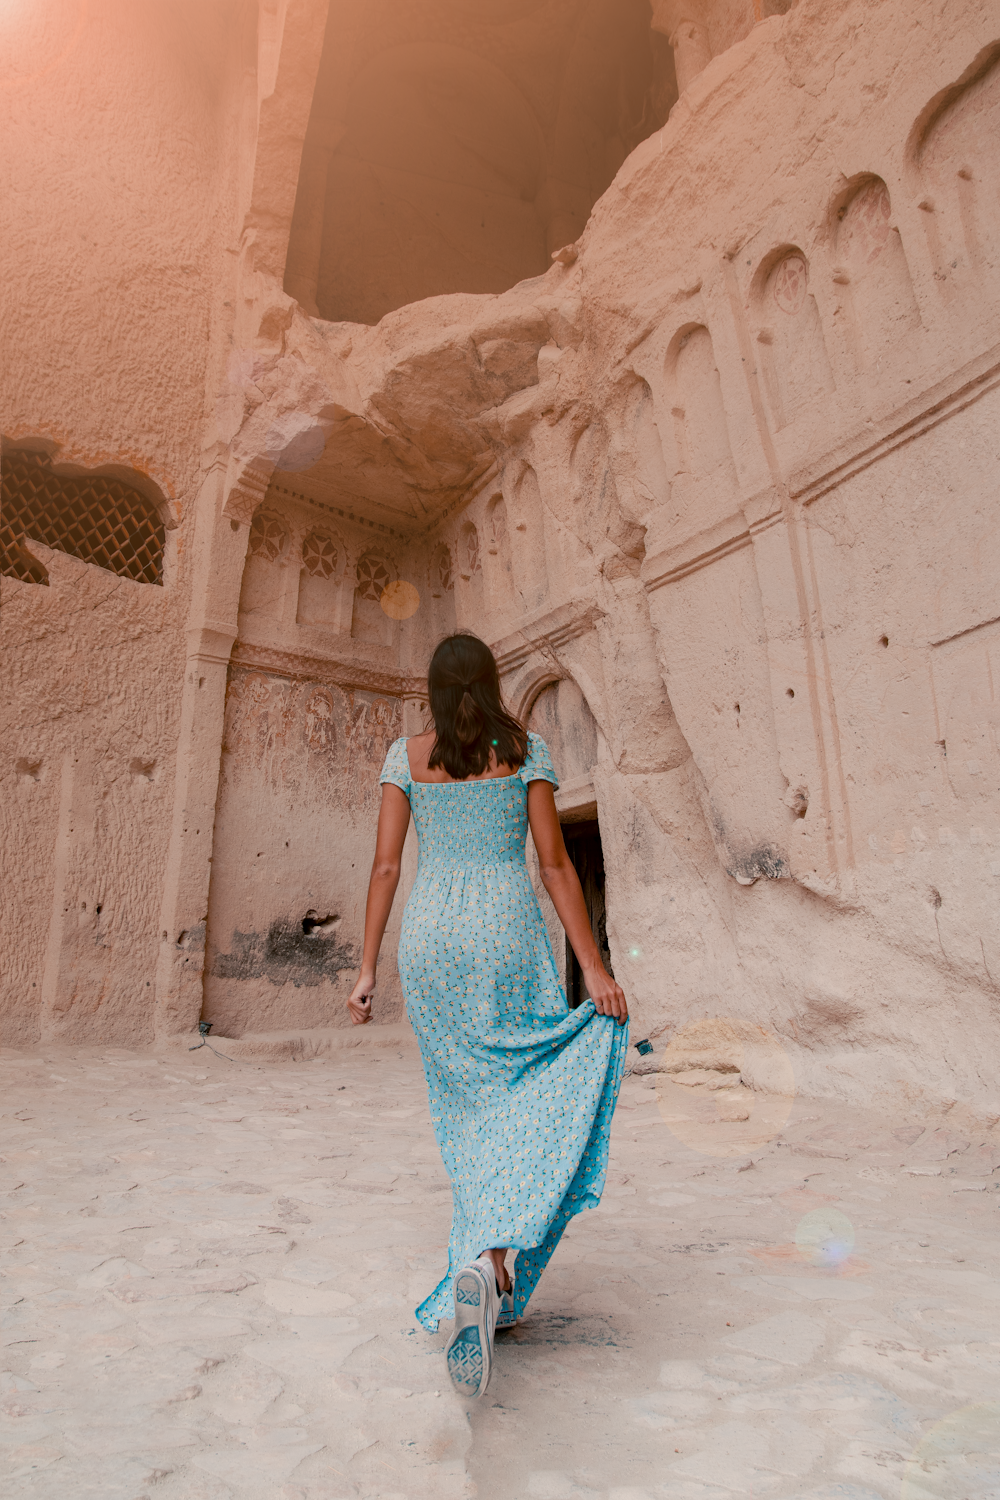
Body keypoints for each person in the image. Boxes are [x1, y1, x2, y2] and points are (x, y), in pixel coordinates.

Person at [346, 632, 629, 1399]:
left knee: (470, 1109)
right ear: (491, 681)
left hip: (433, 940)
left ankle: (486, 1267)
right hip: (506, 933)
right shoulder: (526, 748)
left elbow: (383, 866)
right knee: (525, 1089)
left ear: (435, 689)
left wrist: (368, 967)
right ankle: (493, 1264)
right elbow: (554, 863)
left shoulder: (404, 758)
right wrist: (595, 969)